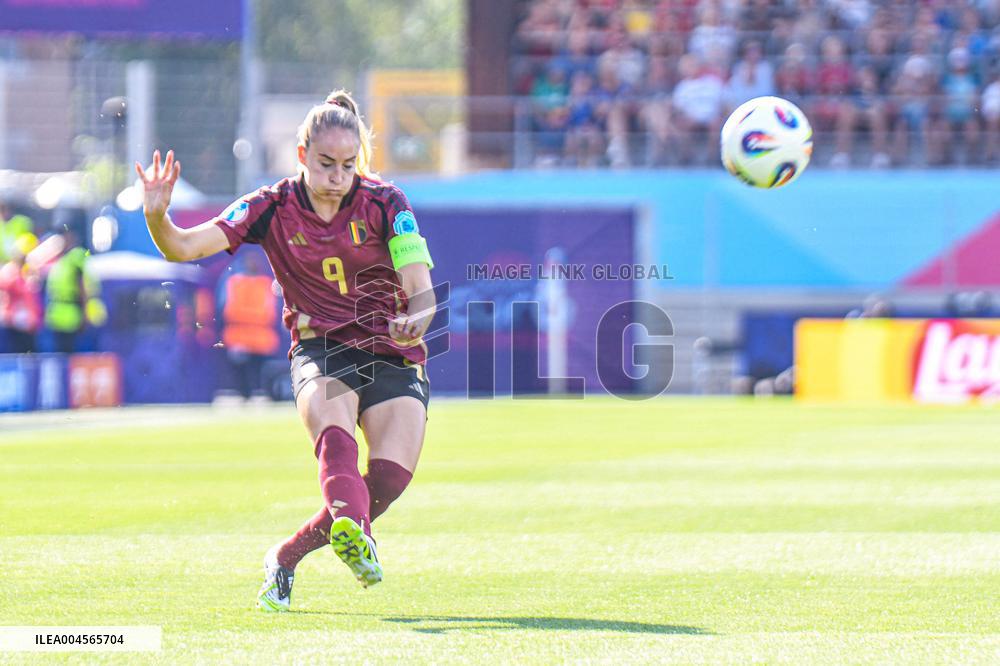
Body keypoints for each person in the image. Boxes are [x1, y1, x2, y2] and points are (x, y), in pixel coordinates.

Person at [135, 90, 436, 612]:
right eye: (326, 163)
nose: (338, 176)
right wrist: (157, 216)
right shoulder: (270, 206)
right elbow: (182, 246)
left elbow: (420, 287)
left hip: (390, 350)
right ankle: (356, 534)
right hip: (322, 347)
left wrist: (419, 317)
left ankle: (285, 557)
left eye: (348, 164)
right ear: (301, 155)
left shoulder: (388, 202)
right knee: (335, 439)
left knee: (388, 479)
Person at [218, 251, 280, 399]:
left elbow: (272, 312)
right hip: (241, 337)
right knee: (243, 376)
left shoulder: (264, 284)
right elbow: (225, 309)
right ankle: (247, 395)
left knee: (258, 374)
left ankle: (257, 395)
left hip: (258, 339)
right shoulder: (234, 283)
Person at [43, 226, 107, 353]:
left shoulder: (76, 257)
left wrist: (84, 314)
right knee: (60, 353)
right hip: (57, 317)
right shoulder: (59, 258)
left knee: (73, 353)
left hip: (74, 316)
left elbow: (82, 286)